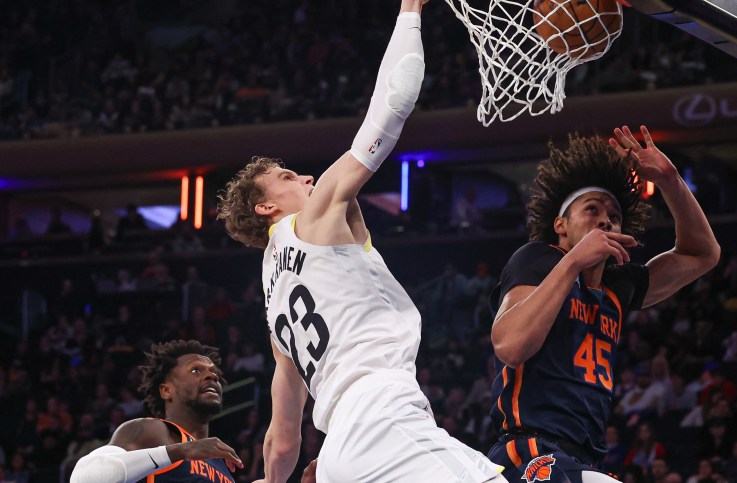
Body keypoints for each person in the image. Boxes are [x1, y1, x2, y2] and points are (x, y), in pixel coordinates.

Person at [216, 1, 505, 482]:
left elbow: (283, 436)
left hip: (337, 455)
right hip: (381, 413)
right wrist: (410, 11)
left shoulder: (273, 306)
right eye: (287, 176)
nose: (305, 175)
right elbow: (392, 106)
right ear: (266, 208)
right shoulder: (314, 216)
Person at [487, 126, 720, 482]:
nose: (605, 220)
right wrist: (573, 261)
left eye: (614, 216)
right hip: (529, 451)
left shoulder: (617, 287)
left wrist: (671, 180)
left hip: (583, 458)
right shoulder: (539, 259)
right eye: (592, 209)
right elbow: (510, 345)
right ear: (561, 225)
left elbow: (702, 253)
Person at [70, 340, 244, 483]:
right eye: (196, 370)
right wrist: (180, 451)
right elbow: (84, 477)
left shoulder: (223, 462)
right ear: (166, 391)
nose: (212, 376)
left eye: (214, 373)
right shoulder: (151, 430)